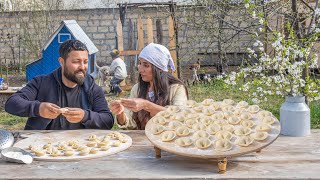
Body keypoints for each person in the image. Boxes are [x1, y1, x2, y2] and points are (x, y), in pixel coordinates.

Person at [5, 40, 114, 130]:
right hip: (42, 146)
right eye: (76, 62)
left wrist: (85, 116)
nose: (82, 67)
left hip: (81, 148)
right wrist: (38, 108)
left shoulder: (93, 89)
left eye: (85, 62)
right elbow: (11, 103)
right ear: (61, 62)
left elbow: (108, 121)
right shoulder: (41, 83)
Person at [109, 43, 188, 130]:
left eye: (146, 65)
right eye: (140, 63)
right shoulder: (137, 89)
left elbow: (179, 117)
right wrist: (120, 113)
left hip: (169, 141)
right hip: (143, 141)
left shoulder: (176, 89)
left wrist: (146, 105)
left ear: (159, 68)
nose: (140, 69)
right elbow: (131, 124)